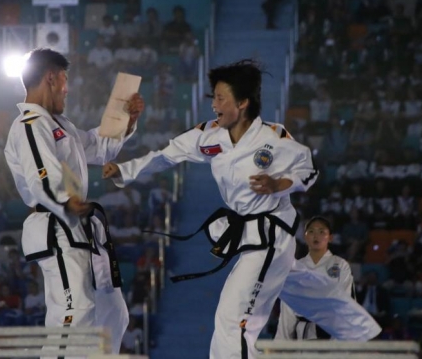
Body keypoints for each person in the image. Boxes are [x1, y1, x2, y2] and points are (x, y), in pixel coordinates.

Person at [103, 59, 319, 359]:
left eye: (221, 98)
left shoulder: (273, 137)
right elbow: (167, 155)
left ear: (242, 103)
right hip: (246, 236)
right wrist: (124, 171)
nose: (214, 105)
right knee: (230, 322)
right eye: (213, 97)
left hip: (271, 236)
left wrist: (280, 183)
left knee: (236, 321)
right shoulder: (209, 135)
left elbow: (309, 171)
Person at [4, 48, 144, 354]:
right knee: (74, 311)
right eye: (65, 81)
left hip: (79, 226)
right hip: (57, 224)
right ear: (51, 78)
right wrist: (66, 201)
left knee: (113, 313)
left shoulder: (60, 125)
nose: (67, 89)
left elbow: (98, 146)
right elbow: (42, 174)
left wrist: (127, 120)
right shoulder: (30, 123)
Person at [275, 217, 354, 340]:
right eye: (311, 231)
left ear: (330, 238)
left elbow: (346, 304)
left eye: (321, 232)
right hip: (303, 333)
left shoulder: (340, 265)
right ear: (305, 237)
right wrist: (281, 343)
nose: (316, 236)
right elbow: (287, 311)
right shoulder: (295, 268)